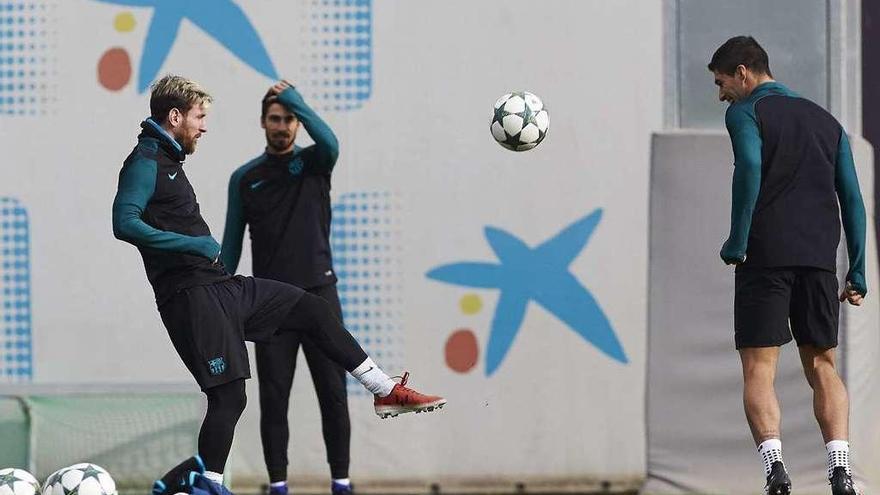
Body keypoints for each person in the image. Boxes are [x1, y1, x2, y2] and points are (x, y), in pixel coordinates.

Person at [112, 74, 446, 495]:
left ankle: (384, 389)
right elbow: (123, 223)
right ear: (175, 116)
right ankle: (206, 485)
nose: (204, 126)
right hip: (192, 296)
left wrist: (206, 256)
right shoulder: (144, 161)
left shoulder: (168, 160)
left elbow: (329, 147)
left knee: (311, 308)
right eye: (199, 117)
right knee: (231, 398)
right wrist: (194, 242)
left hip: (220, 288)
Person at [709, 36, 865, 495]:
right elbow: (853, 198)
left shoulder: (744, 112)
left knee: (760, 369)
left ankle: (775, 470)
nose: (720, 95)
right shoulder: (827, 121)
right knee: (823, 364)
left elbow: (750, 167)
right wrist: (857, 268)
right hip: (819, 257)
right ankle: (840, 469)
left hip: (766, 254)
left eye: (721, 83)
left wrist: (737, 240)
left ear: (742, 72)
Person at [220, 80, 352, 495]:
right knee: (275, 398)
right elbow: (230, 246)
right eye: (275, 118)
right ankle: (278, 484)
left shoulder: (315, 163)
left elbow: (330, 140)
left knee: (333, 393)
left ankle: (341, 482)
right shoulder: (245, 178)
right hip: (270, 305)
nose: (282, 126)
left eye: (289, 119)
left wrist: (295, 98)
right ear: (263, 123)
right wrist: (219, 300)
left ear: (298, 122)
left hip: (319, 295)